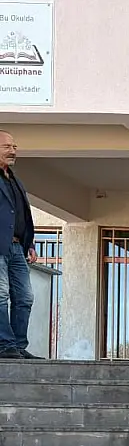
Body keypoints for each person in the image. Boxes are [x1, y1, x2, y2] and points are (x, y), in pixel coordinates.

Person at [0, 130, 36, 359]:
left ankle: (18, 346)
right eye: (7, 147)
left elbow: (21, 213)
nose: (13, 151)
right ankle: (5, 345)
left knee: (25, 297)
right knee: (1, 294)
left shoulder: (13, 179)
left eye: (14, 146)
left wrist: (29, 243)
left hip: (16, 247)